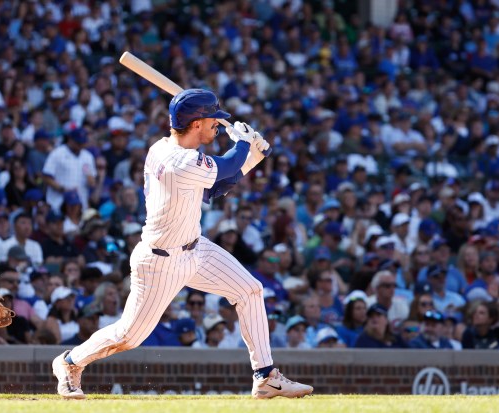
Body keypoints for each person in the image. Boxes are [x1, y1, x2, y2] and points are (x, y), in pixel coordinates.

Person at [52, 89, 313, 399]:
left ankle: (265, 375)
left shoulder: (171, 149)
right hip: (160, 262)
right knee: (128, 336)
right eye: (213, 120)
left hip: (195, 248)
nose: (218, 124)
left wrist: (252, 156)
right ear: (196, 123)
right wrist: (243, 143)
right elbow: (225, 170)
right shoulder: (177, 159)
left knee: (250, 290)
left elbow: (219, 186)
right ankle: (69, 362)